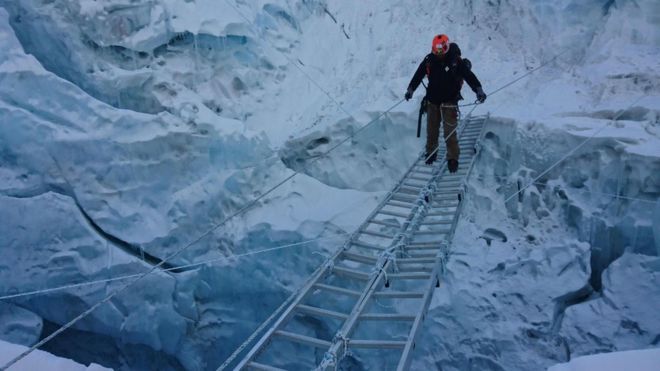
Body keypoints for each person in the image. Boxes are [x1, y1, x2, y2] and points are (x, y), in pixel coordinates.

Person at [405, 34, 486, 172]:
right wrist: (410, 89)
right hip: (432, 101)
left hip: (449, 101)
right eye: (437, 51)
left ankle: (453, 158)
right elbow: (418, 75)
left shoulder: (455, 61)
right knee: (432, 130)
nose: (439, 53)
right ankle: (431, 152)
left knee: (449, 132)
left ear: (446, 47)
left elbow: (468, 76)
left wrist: (478, 90)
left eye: (441, 50)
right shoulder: (429, 60)